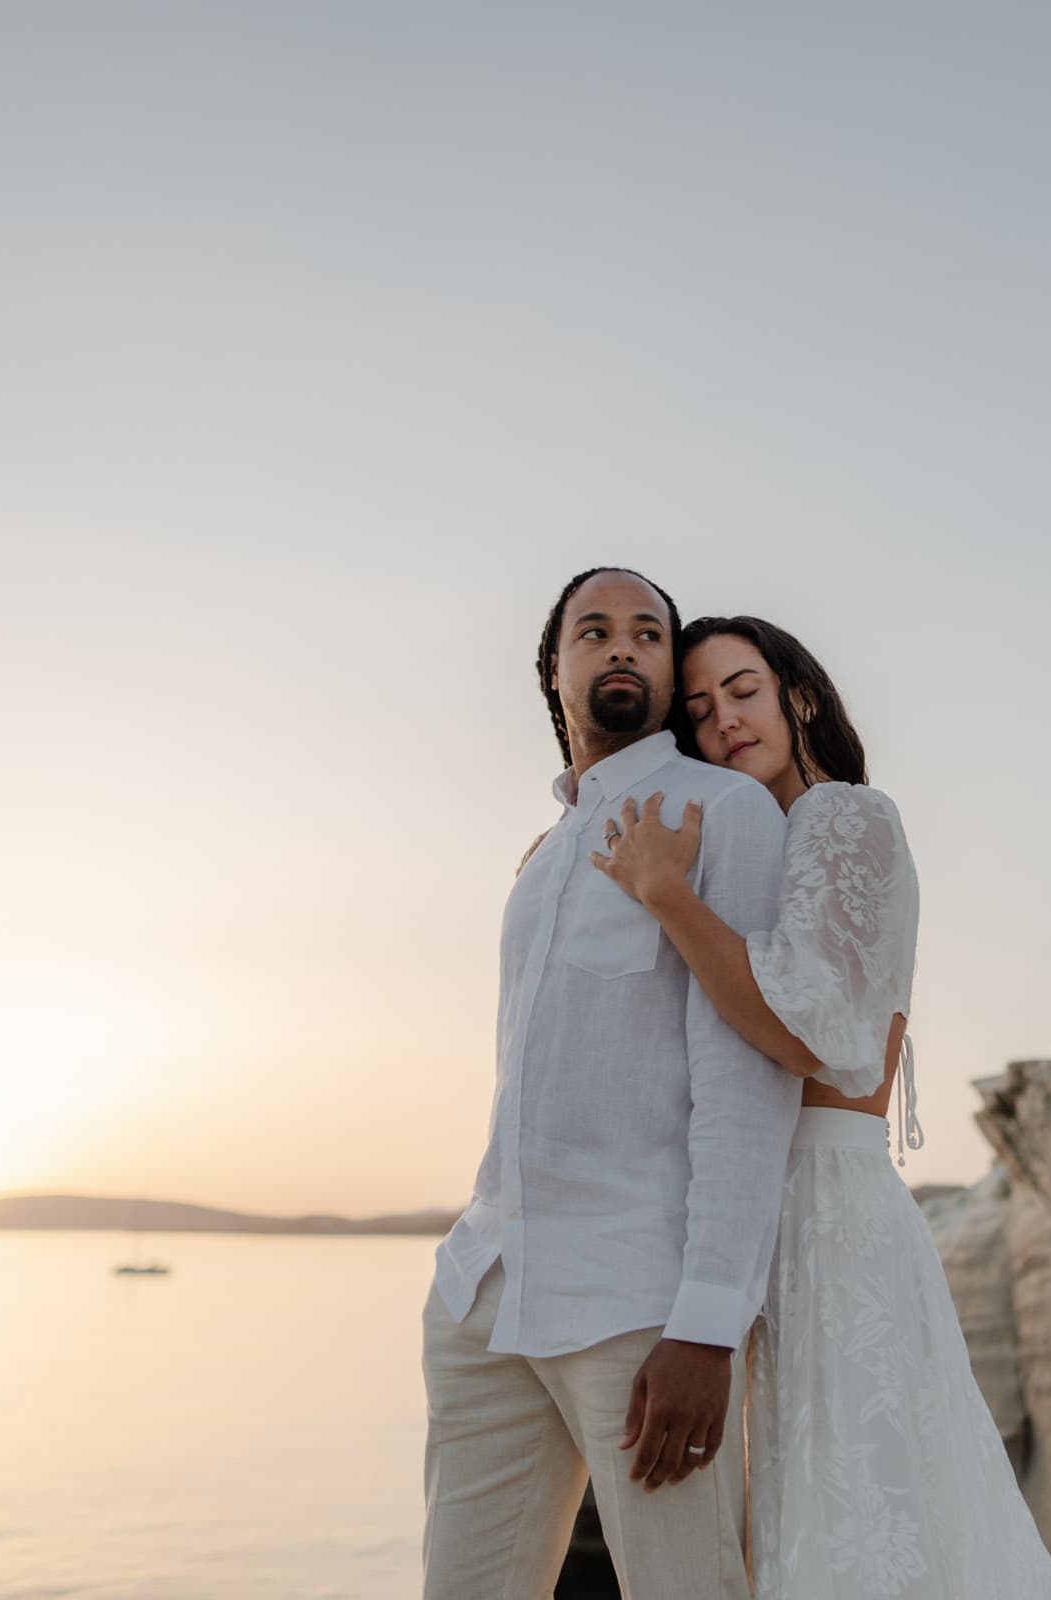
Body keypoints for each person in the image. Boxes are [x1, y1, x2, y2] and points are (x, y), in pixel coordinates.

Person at [591, 615, 1051, 1598]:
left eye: (742, 690)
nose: (723, 721)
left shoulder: (845, 815)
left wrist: (666, 894)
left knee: (856, 1507)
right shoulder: (780, 841)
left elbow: (813, 1028)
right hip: (787, 1198)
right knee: (837, 1503)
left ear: (797, 693)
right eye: (699, 711)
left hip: (827, 1203)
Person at [423, 569, 800, 1600]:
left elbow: (745, 1074)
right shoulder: (542, 858)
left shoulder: (725, 812)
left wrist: (708, 1321)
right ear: (557, 669)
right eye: (596, 631)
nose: (622, 646)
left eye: (647, 632)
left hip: (639, 1303)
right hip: (484, 1295)